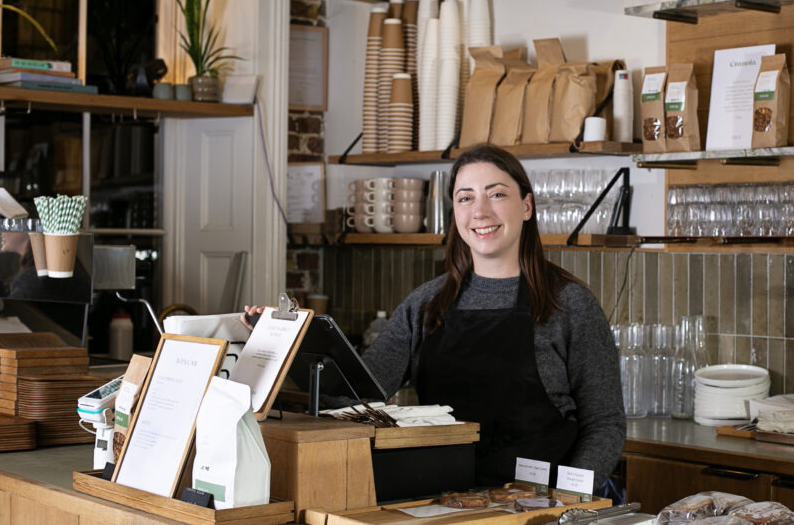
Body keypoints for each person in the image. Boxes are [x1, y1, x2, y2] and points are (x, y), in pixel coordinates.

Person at [246, 144, 625, 488]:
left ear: (526, 206)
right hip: (440, 498)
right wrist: (282, 343)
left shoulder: (569, 305)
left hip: (539, 507)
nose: (481, 211)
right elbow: (355, 396)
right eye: (466, 198)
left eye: (497, 194)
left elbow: (605, 424)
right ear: (455, 213)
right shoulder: (427, 304)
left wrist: (569, 499)